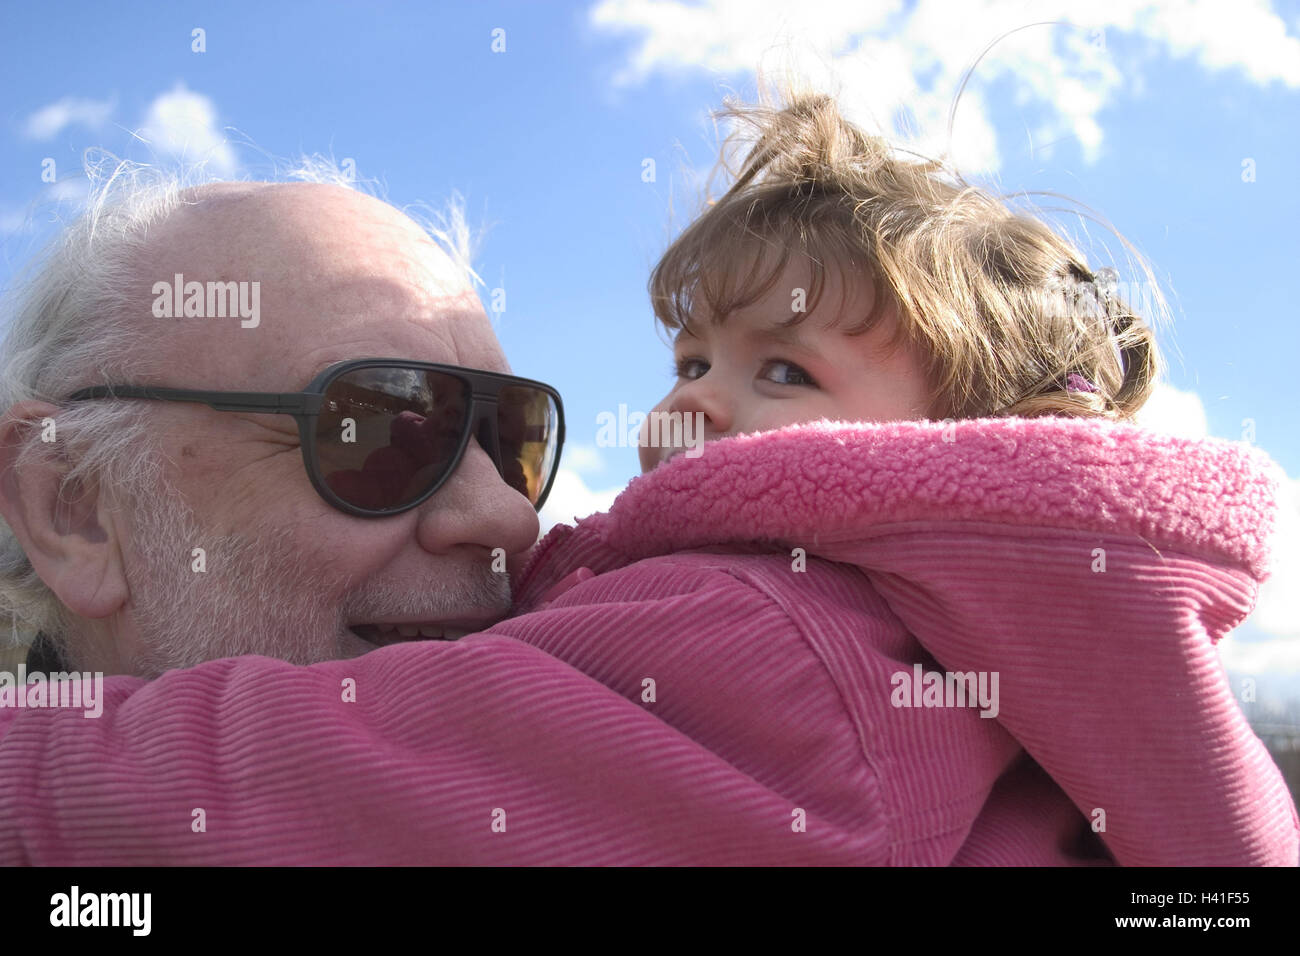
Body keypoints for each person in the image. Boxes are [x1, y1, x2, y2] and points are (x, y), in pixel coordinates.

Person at [0, 96, 1295, 866]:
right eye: (382, 426)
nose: (511, 512)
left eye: (512, 433)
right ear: (70, 504)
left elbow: (340, 772)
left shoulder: (794, 639)